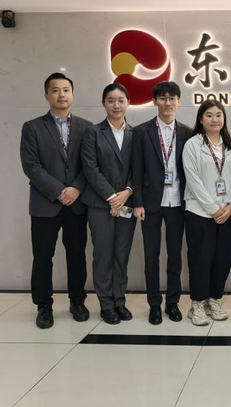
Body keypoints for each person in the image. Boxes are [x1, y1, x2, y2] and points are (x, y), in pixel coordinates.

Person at [20, 72, 92, 329]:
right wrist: (61, 191)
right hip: (45, 204)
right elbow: (31, 166)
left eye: (66, 90)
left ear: (72, 94)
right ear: (46, 95)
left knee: (76, 255)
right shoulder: (32, 127)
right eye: (55, 90)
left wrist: (76, 189)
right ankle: (44, 306)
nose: (61, 95)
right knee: (42, 257)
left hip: (77, 204)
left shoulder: (86, 127)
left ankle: (77, 301)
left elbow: (90, 165)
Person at [132, 81, 193, 325]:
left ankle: (173, 303)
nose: (168, 103)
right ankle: (154, 305)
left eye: (172, 98)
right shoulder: (141, 132)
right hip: (150, 204)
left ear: (179, 101)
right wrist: (137, 203)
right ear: (154, 101)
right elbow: (136, 170)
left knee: (175, 256)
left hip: (178, 203)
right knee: (151, 256)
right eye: (163, 98)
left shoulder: (188, 132)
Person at [81, 84, 135, 325]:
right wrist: (113, 197)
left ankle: (119, 301)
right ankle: (106, 304)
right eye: (111, 100)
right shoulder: (93, 133)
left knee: (121, 255)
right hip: (100, 205)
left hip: (127, 203)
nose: (116, 105)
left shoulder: (135, 134)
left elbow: (139, 168)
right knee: (103, 255)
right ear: (103, 103)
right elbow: (90, 169)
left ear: (128, 103)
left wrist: (127, 192)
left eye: (121, 100)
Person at [183, 100, 231, 326]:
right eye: (209, 115)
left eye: (219, 115)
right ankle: (197, 303)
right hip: (199, 212)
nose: (215, 119)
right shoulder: (193, 144)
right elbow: (193, 180)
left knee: (222, 259)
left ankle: (214, 299)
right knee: (200, 259)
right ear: (200, 119)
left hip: (226, 212)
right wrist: (214, 209)